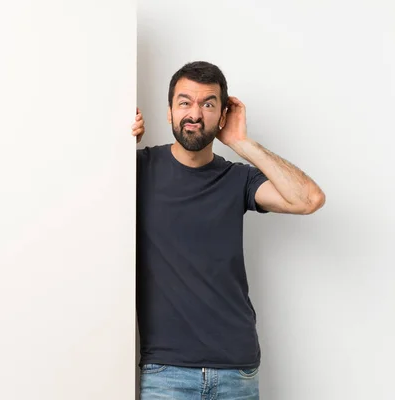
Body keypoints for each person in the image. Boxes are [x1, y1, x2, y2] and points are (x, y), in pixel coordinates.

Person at [130, 61, 325, 400]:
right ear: (169, 112)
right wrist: (117, 145)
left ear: (221, 116)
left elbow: (308, 199)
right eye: (185, 102)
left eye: (208, 104)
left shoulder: (238, 178)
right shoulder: (140, 169)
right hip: (167, 373)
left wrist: (241, 142)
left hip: (237, 371)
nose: (195, 113)